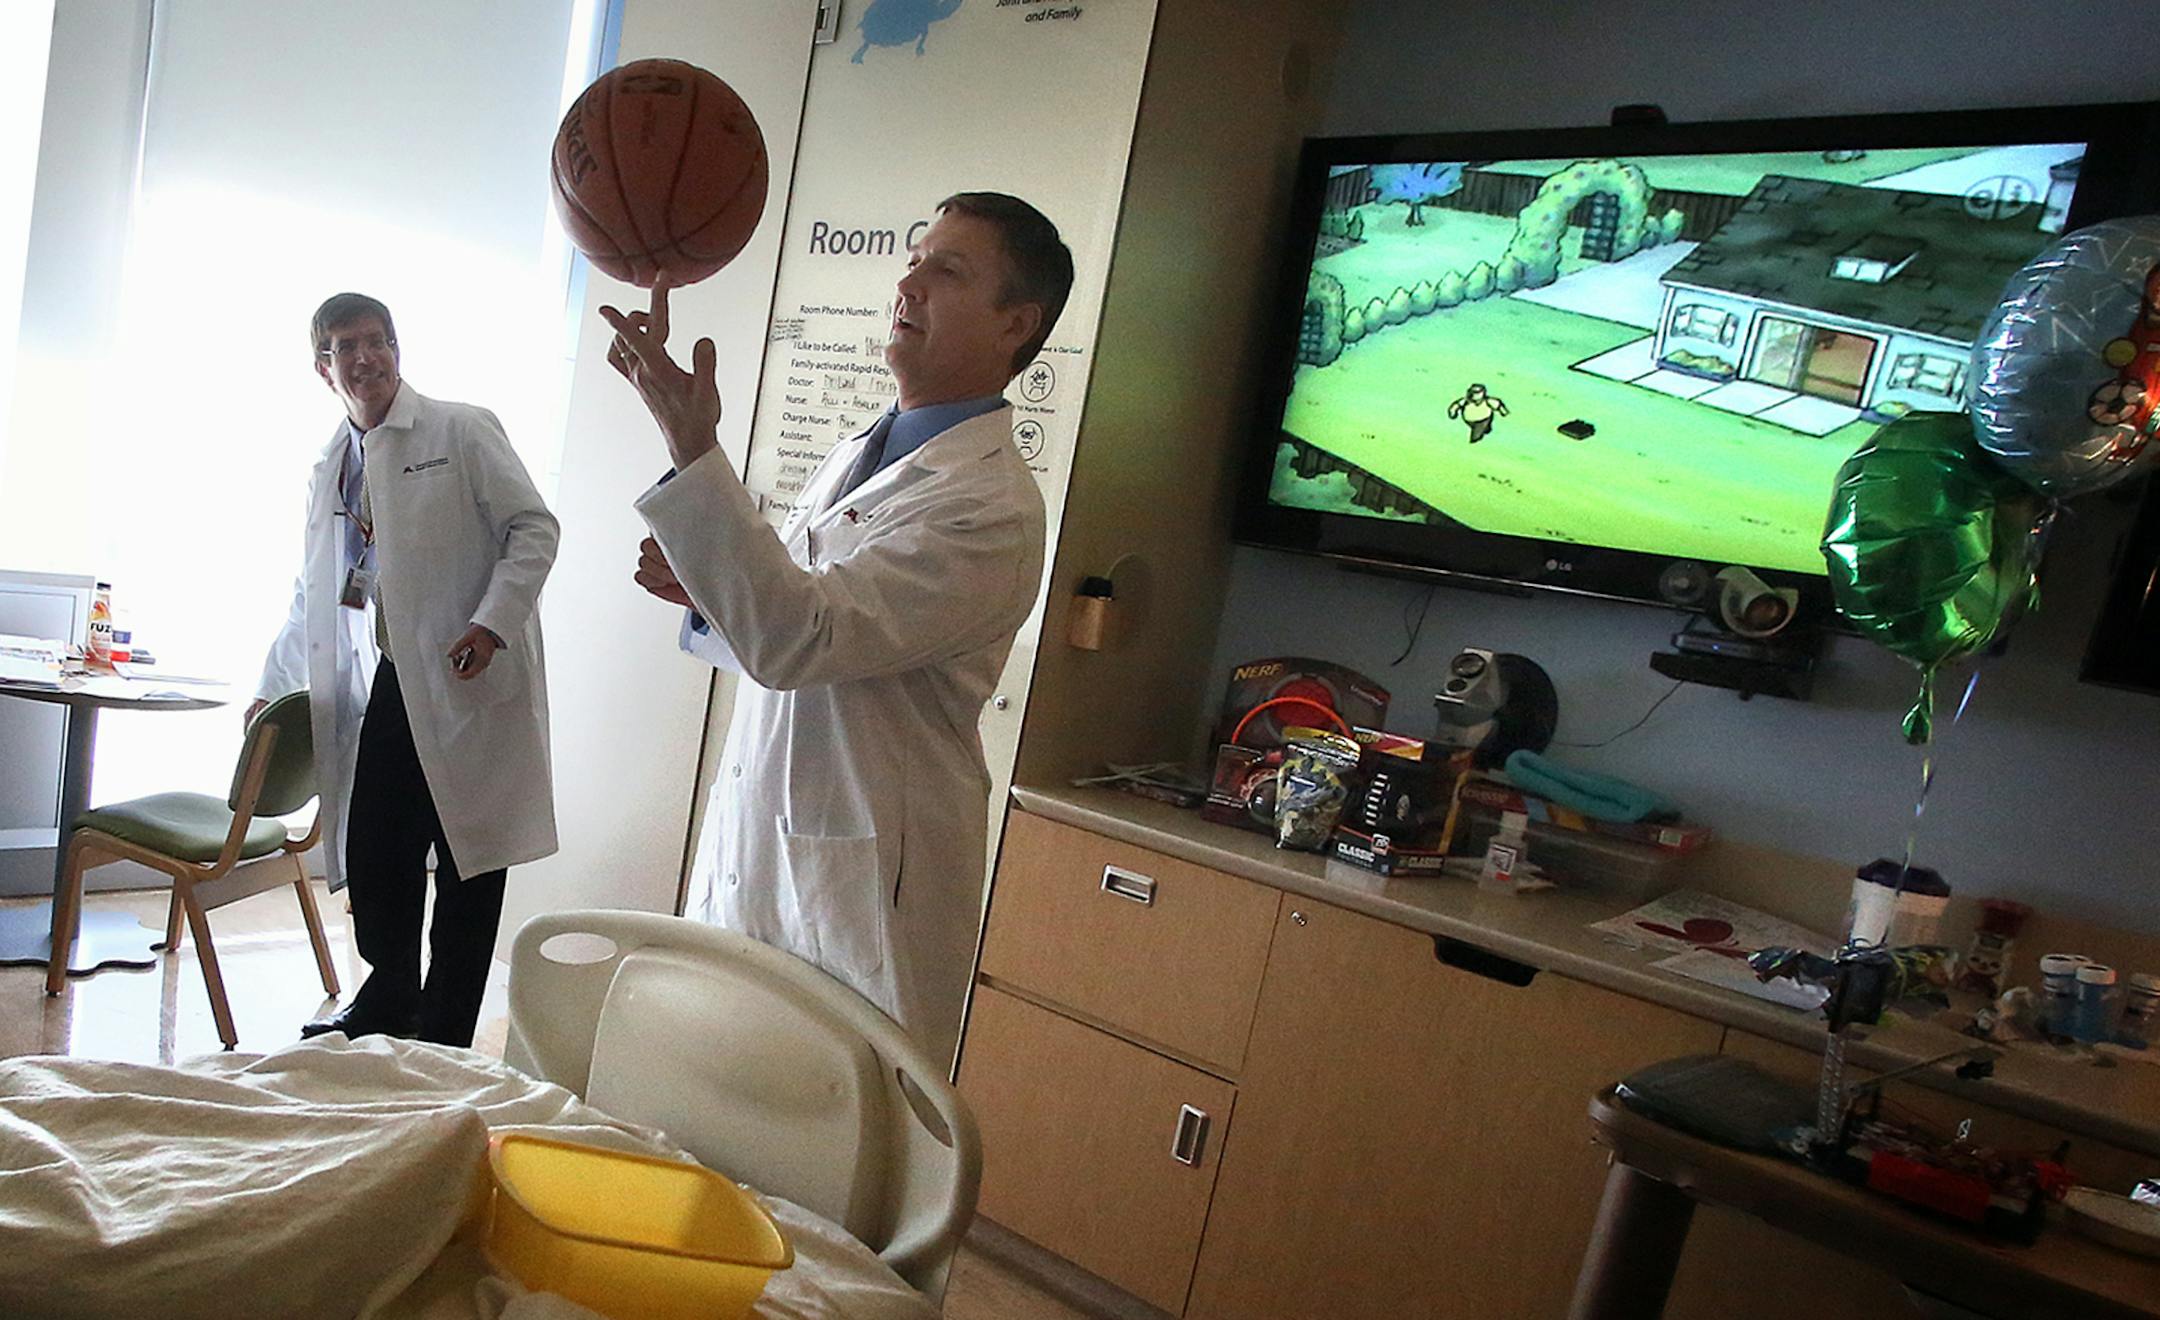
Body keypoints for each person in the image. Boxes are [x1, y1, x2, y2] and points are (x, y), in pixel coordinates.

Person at [602, 192, 1070, 1067]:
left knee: (827, 1150)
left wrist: (691, 446)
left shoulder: (989, 508)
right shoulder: (863, 450)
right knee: (720, 1104)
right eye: (916, 256)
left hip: (863, 889)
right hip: (766, 839)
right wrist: (712, 594)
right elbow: (793, 614)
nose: (911, 281)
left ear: (1017, 324)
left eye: (949, 270)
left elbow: (801, 638)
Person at [252, 292, 560, 1047]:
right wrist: (269, 687)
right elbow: (314, 589)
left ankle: (446, 1026)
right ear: (322, 368)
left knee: (468, 861)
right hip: (393, 676)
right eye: (344, 348)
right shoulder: (334, 465)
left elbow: (534, 528)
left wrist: (490, 624)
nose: (364, 359)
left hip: (468, 672)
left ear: (397, 348)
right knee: (376, 845)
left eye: (376, 342)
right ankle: (388, 993)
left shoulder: (461, 428)